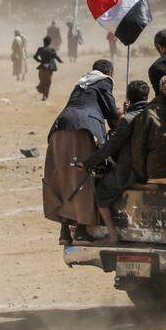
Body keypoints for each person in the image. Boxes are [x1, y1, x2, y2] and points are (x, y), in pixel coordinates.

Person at [42, 60, 119, 243]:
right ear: (110, 71)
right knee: (83, 176)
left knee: (63, 177)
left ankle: (64, 232)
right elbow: (111, 112)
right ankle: (82, 230)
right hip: (83, 129)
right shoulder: (104, 81)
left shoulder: (82, 83)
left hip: (60, 127)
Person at [79, 79, 149, 243]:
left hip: (129, 171)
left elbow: (109, 148)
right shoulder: (153, 114)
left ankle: (111, 235)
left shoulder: (128, 119)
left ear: (129, 99)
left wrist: (87, 163)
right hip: (150, 169)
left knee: (101, 195)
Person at [33, 36, 62, 100]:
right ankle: (45, 96)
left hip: (42, 67)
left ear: (44, 42)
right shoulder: (51, 49)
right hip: (49, 68)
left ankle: (42, 92)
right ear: (50, 42)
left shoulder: (40, 49)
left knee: (42, 81)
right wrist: (60, 61)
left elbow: (35, 57)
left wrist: (40, 61)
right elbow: (56, 57)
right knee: (48, 82)